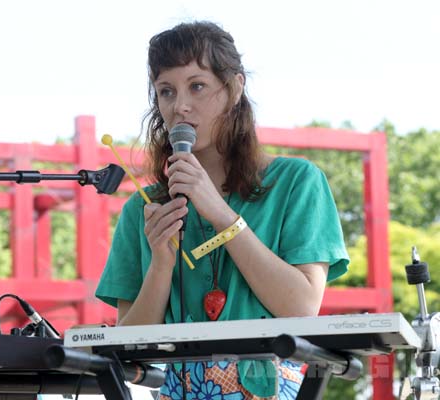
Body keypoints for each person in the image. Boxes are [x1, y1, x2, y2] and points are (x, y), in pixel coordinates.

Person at [95, 20, 349, 400]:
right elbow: (130, 346)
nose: (180, 106)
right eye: (166, 91)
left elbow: (302, 306)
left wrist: (222, 216)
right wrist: (162, 267)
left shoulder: (296, 181)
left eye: (197, 86)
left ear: (234, 88)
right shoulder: (144, 210)